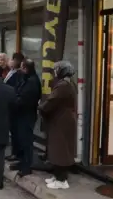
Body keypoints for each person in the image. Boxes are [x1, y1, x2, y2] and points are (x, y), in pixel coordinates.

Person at [38, 61, 77, 190]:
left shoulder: (63, 85)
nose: (54, 72)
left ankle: (61, 180)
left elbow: (52, 101)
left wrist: (41, 107)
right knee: (58, 149)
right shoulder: (68, 83)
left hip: (61, 121)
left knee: (60, 150)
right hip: (63, 120)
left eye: (56, 70)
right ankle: (57, 176)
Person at [10, 58, 42, 177]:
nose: (19, 69)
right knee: (21, 140)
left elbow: (24, 100)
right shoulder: (27, 79)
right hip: (21, 115)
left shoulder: (32, 82)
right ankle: (22, 162)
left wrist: (13, 101)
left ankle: (26, 166)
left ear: (25, 68)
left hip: (27, 115)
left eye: (21, 67)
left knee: (26, 141)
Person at [4, 52, 25, 161]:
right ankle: (14, 152)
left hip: (15, 107)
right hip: (9, 105)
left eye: (13, 59)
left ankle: (16, 153)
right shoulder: (11, 71)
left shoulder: (19, 74)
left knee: (16, 131)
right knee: (12, 130)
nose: (11, 61)